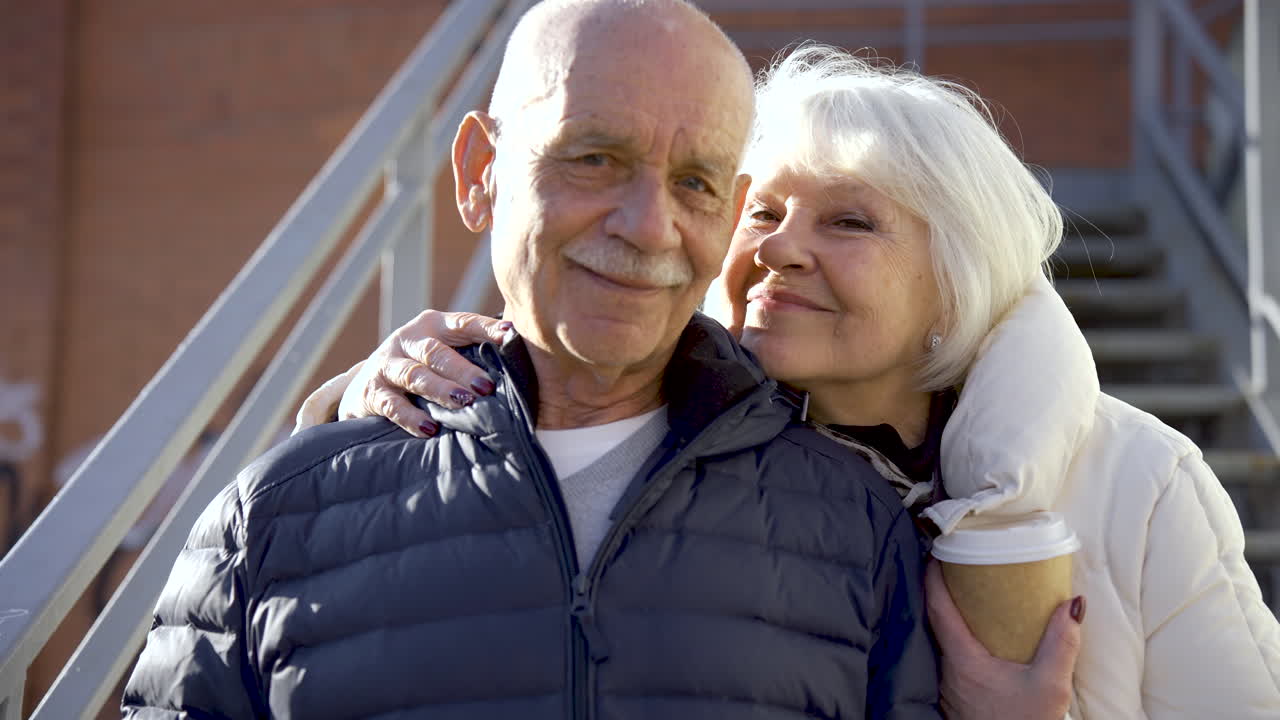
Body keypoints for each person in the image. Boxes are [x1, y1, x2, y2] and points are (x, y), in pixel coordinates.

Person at [299, 45, 1280, 718]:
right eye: (759, 213)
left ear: (956, 276)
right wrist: (369, 399)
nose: (778, 253)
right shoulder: (665, 444)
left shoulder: (1138, 481)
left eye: (846, 222)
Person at [123, 3, 941, 718]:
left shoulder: (861, 527)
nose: (649, 226)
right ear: (481, 173)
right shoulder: (273, 517)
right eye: (596, 159)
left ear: (729, 212)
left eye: (695, 182)